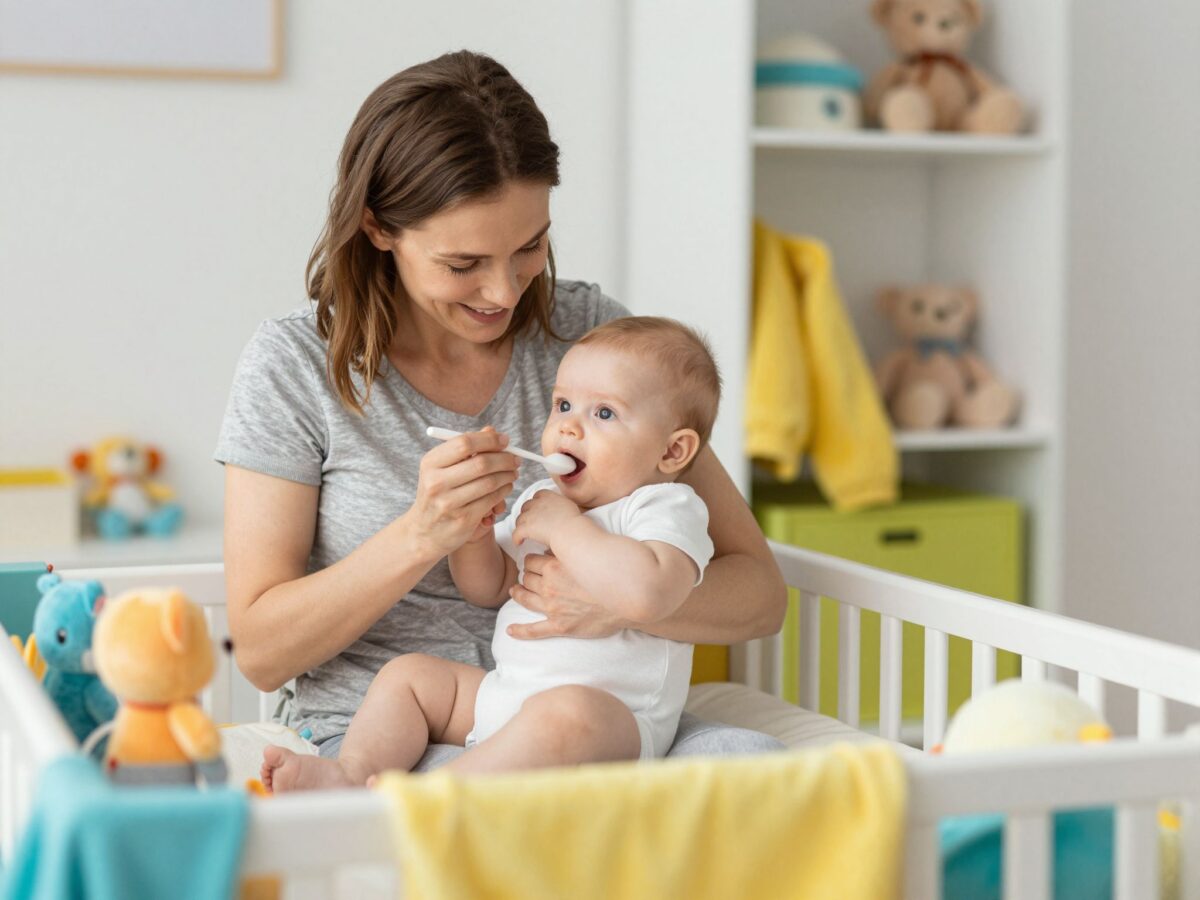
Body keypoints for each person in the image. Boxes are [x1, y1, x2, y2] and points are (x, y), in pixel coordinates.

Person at [215, 50, 787, 770]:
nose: (504, 293)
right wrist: (424, 534)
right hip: (395, 729)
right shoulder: (293, 366)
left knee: (761, 768)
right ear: (378, 227)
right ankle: (382, 803)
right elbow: (262, 654)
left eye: (529, 247)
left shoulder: (599, 347)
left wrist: (622, 601)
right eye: (463, 265)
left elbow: (759, 595)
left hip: (593, 709)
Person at [261, 317, 721, 790]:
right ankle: (352, 776)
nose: (568, 427)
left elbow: (649, 594)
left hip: (611, 722)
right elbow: (489, 588)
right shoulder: (543, 499)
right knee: (409, 676)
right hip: (507, 696)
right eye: (563, 405)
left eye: (603, 413)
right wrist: (474, 535)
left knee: (568, 713)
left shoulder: (664, 506)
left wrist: (566, 529)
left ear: (672, 452)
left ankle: (435, 793)